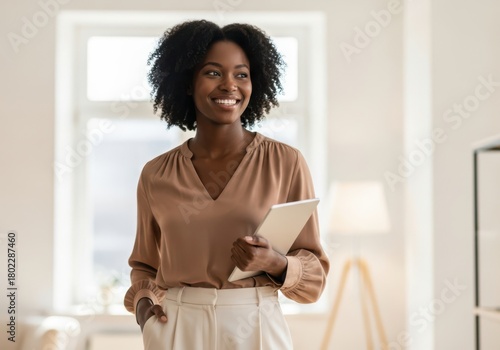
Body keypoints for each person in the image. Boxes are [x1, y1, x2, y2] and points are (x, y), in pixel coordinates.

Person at [124, 19, 330, 350]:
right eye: (213, 73)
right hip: (177, 326)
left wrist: (272, 263)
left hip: (255, 324)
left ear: (255, 82)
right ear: (188, 82)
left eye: (241, 74)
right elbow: (144, 265)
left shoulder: (285, 162)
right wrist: (143, 309)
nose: (229, 85)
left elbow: (314, 274)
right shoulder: (156, 173)